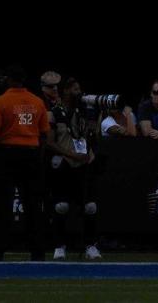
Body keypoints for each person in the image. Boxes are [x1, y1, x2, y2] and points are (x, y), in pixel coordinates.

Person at [0, 66, 49, 261]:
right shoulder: (37, 102)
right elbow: (44, 133)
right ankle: (37, 253)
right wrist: (37, 155)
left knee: (3, 207)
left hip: (7, 155)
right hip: (32, 155)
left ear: (9, 80)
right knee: (33, 207)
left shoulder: (0, 101)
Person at [44, 78, 102, 261]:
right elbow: (50, 142)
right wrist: (71, 155)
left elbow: (94, 134)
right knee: (61, 206)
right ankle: (59, 245)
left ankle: (90, 245)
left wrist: (91, 139)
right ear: (65, 91)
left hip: (85, 163)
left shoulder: (87, 111)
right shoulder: (54, 113)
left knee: (90, 206)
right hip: (65, 164)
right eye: (75, 89)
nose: (79, 92)